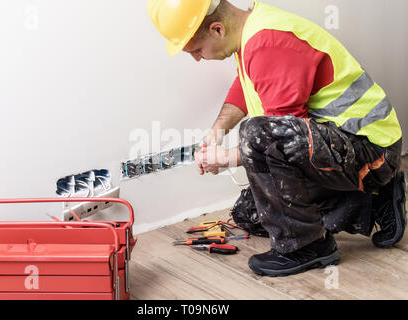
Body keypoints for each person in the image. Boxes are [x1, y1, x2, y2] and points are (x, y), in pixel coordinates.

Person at [147, 0, 406, 277]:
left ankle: (308, 247)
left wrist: (224, 159)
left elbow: (278, 137)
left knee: (256, 133)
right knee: (249, 214)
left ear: (217, 29)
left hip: (372, 149)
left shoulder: (269, 41)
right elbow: (245, 85)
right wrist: (216, 132)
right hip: (337, 149)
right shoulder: (250, 34)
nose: (197, 58)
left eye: (196, 50)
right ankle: (373, 199)